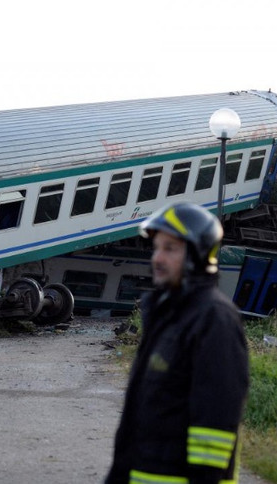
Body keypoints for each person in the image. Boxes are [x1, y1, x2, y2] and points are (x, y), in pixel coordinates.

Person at [106, 202, 249, 484]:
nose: (157, 258)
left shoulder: (214, 319)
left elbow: (216, 419)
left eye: (170, 249)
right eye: (156, 248)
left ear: (197, 255)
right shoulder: (167, 312)